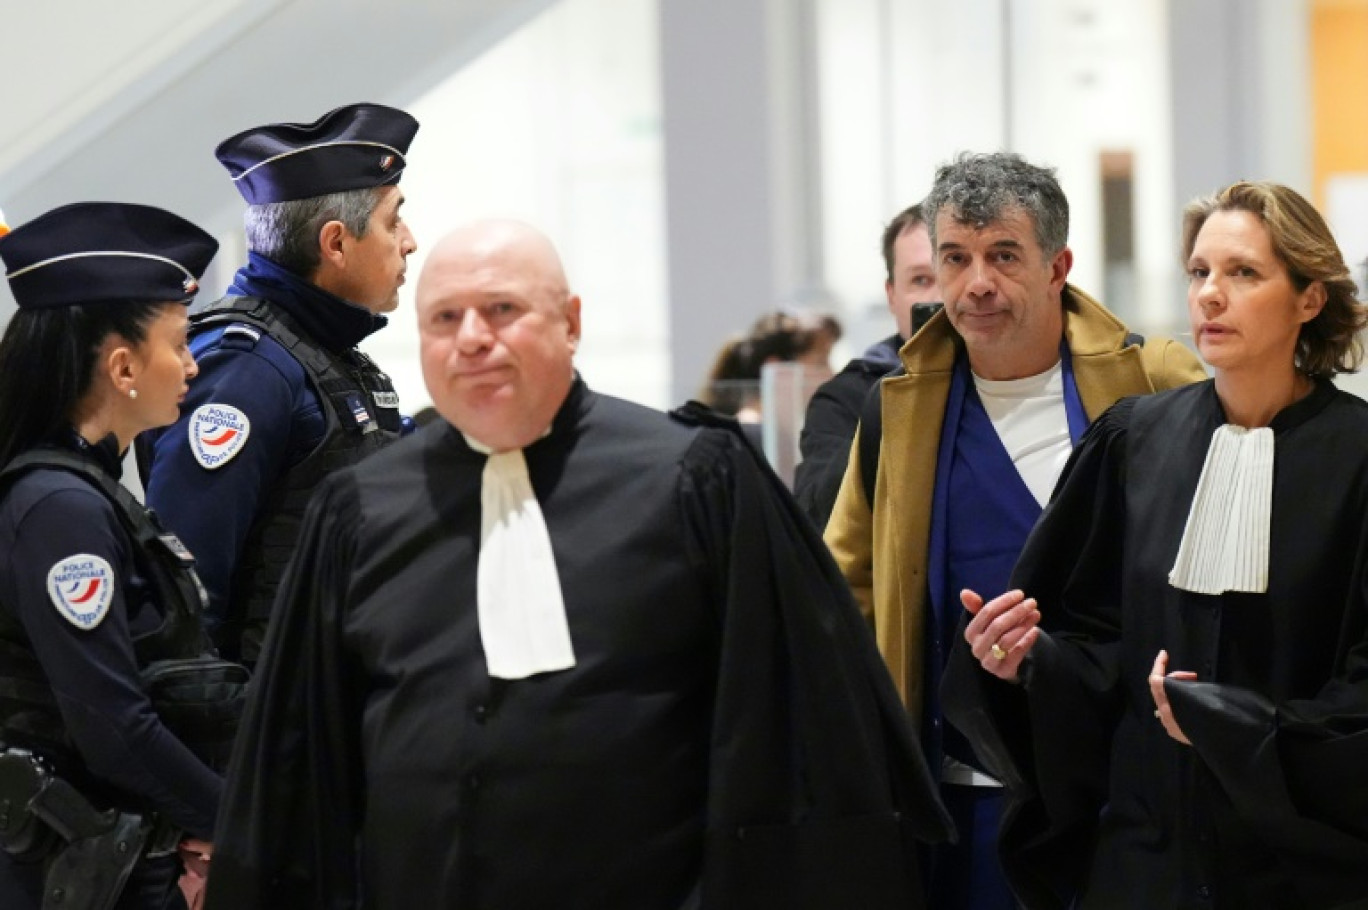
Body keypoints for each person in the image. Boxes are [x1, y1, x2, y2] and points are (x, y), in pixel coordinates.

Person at [204, 219, 952, 910]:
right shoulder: (358, 512)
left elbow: (799, 744)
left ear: (572, 324)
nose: (472, 339)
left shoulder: (695, 480)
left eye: (502, 311)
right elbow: (296, 772)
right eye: (444, 318)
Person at [946, 182, 1368, 909]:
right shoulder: (1135, 441)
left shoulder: (1359, 458)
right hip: (1144, 856)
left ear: (1309, 299)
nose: (1209, 295)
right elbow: (1097, 641)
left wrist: (1244, 729)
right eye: (1199, 272)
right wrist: (1028, 661)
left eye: (1243, 273)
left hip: (1301, 865)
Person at [822, 152, 1206, 910]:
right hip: (958, 800)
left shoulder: (1150, 381)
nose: (977, 285)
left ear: (1058, 265)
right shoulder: (897, 412)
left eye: (1004, 256)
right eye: (955, 259)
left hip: (1120, 795)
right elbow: (847, 590)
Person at [0, 203, 231, 909]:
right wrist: (239, 825)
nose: (193, 365)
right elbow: (112, 726)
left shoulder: (89, 493)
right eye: (181, 343)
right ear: (123, 365)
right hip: (75, 871)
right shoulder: (60, 510)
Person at [139, 103, 420, 667]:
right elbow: (188, 608)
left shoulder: (329, 353)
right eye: (394, 222)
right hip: (273, 734)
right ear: (336, 244)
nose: (410, 241)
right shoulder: (245, 370)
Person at [793, 203, 940, 528]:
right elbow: (821, 514)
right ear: (892, 296)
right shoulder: (848, 397)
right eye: (920, 280)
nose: (938, 297)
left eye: (952, 271)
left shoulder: (1027, 378)